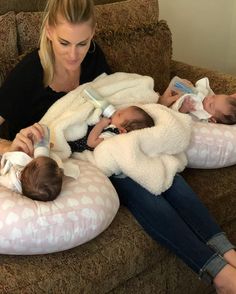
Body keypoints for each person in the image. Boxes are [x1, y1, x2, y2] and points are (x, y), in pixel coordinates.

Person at [0, 0, 236, 292]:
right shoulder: (26, 77)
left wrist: (157, 104)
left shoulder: (94, 56)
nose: (74, 55)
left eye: (82, 43)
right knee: (133, 181)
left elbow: (115, 98)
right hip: (77, 152)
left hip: (115, 132)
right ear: (48, 31)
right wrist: (13, 145)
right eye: (64, 42)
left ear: (93, 34)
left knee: (164, 171)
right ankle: (219, 274)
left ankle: (227, 252)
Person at [68, 105, 155, 152]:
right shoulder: (113, 126)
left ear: (122, 130)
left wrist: (100, 125)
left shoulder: (111, 135)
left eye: (119, 115)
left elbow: (91, 143)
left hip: (76, 143)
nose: (117, 111)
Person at [168, 76, 236, 124]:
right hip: (173, 93)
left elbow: (179, 119)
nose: (208, 99)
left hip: (169, 110)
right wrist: (190, 86)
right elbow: (196, 89)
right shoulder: (205, 94)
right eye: (214, 97)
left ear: (212, 119)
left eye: (210, 105)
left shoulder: (201, 118)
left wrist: (184, 108)